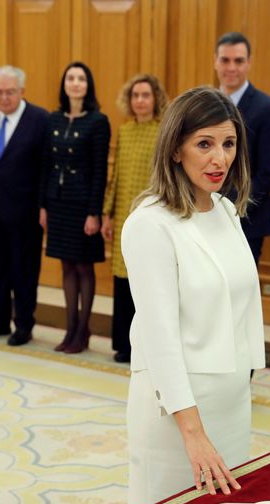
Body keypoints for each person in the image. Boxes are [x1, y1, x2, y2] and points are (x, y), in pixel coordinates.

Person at [122, 86, 265, 504]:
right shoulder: (149, 224)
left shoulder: (224, 211)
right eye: (204, 144)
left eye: (228, 143)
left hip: (232, 403)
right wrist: (193, 433)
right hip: (177, 415)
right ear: (175, 150)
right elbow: (160, 337)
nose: (219, 158)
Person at [0, 66, 48, 346]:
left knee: (23, 270)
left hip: (24, 211)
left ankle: (24, 324)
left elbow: (44, 169)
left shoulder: (40, 119)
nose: (4, 98)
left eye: (10, 92)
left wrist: (43, 206)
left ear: (22, 91)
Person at [39, 61, 110, 354]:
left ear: (88, 84)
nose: (76, 83)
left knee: (83, 265)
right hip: (58, 201)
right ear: (64, 84)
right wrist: (43, 205)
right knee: (66, 265)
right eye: (71, 78)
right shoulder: (53, 119)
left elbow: (99, 171)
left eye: (81, 78)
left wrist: (94, 211)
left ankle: (83, 330)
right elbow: (46, 164)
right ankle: (70, 329)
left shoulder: (97, 121)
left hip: (83, 204)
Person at [101, 74, 168, 363]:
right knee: (122, 280)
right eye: (135, 96)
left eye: (146, 95)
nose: (140, 100)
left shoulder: (162, 131)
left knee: (146, 281)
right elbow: (116, 176)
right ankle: (123, 344)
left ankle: (145, 345)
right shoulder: (125, 131)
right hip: (123, 218)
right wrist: (107, 213)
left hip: (150, 217)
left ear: (155, 100)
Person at [214, 32, 270, 264]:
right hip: (203, 215)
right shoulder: (204, 105)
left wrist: (227, 207)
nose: (231, 67)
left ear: (249, 63)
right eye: (225, 60)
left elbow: (267, 173)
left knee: (239, 295)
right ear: (216, 61)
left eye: (238, 60)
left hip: (246, 218)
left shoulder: (268, 108)